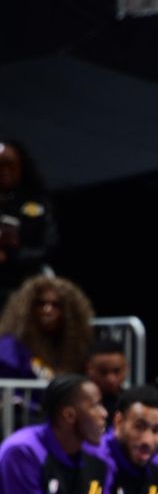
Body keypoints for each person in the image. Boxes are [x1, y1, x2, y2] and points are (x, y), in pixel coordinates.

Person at [0, 374, 115, 494]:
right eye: (96, 405)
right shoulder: (22, 452)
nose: (105, 413)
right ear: (69, 415)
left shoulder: (99, 458)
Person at [0, 137, 59, 306]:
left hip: (27, 285)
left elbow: (49, 246)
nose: (4, 170)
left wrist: (12, 255)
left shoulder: (38, 203)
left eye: (9, 164)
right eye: (0, 166)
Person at [0, 274, 94, 379]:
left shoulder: (77, 348)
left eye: (56, 305)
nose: (47, 310)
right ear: (28, 308)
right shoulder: (10, 346)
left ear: (69, 313)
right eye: (41, 304)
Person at [86, 338, 128, 425]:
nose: (110, 379)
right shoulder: (79, 405)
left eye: (116, 371)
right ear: (89, 369)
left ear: (126, 368)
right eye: (103, 372)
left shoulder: (133, 404)